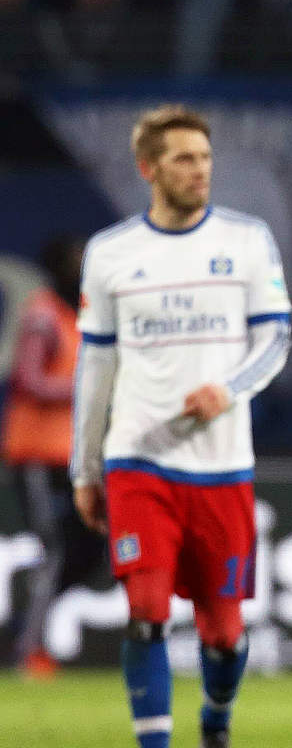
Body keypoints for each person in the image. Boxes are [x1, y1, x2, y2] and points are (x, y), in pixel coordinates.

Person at [71, 105, 291, 748]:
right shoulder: (110, 254)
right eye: (184, 159)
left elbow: (275, 340)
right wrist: (85, 468)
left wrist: (227, 391)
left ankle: (216, 722)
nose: (200, 170)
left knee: (223, 631)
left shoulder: (247, 240)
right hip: (137, 461)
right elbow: (96, 367)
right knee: (145, 613)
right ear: (149, 169)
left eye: (205, 157)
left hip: (223, 467)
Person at [3, 233, 107, 679]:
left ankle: (28, 623)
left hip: (71, 454)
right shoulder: (44, 315)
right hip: (35, 453)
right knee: (56, 546)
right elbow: (28, 379)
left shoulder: (77, 315)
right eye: (76, 261)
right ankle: (27, 653)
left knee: (91, 546)